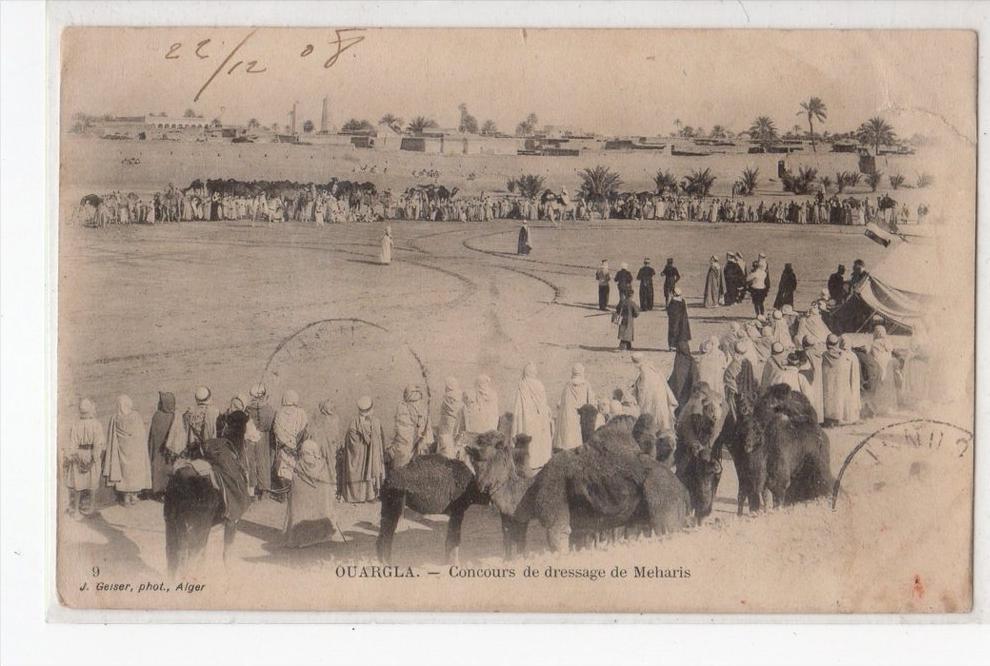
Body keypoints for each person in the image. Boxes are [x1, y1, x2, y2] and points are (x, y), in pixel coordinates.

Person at [284, 437, 339, 548]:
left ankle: (301, 538)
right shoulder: (323, 471)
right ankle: (322, 535)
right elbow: (329, 496)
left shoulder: (297, 472)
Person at [103, 395, 151, 506]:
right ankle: (134, 496)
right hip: (134, 450)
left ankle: (125, 497)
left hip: (121, 450)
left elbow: (111, 437)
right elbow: (141, 434)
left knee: (124, 473)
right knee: (134, 472)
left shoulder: (115, 418)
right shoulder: (136, 416)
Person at [64, 398, 106, 518]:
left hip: (79, 454)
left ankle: (76, 510)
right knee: (92, 482)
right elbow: (99, 443)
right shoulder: (96, 424)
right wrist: (95, 457)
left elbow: (72, 443)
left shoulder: (75, 424)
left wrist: (74, 456)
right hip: (91, 453)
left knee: (78, 484)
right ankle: (91, 507)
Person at [510, 362, 554, 471]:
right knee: (538, 439)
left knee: (529, 438)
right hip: (539, 418)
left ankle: (529, 462)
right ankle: (540, 461)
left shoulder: (522, 384)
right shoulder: (540, 385)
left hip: (527, 418)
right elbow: (543, 404)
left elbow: (518, 406)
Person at [342, 396, 386, 502]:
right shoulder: (375, 421)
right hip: (367, 456)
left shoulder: (354, 422)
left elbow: (350, 442)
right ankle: (369, 496)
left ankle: (358, 496)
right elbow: (381, 440)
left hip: (359, 456)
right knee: (369, 472)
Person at [147, 391, 185, 498]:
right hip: (170, 452)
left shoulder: (157, 416)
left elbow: (152, 436)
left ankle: (158, 491)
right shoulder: (176, 417)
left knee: (158, 469)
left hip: (158, 451)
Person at [272, 390, 309, 497]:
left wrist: (286, 445)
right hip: (296, 446)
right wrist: (297, 445)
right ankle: (295, 493)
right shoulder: (301, 413)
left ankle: (284, 494)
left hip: (284, 447)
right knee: (295, 468)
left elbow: (277, 431)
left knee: (283, 468)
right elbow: (304, 430)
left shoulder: (279, 413)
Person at [631, 352, 678, 434]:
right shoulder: (652, 367)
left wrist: (639, 406)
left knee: (653, 419)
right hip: (661, 396)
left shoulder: (644, 372)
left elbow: (643, 392)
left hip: (653, 398)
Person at [821, 334, 862, 426]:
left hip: (829, 383)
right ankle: (841, 417)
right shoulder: (843, 355)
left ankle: (830, 418)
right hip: (841, 383)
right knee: (840, 399)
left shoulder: (824, 355)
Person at [389, 384, 433, 468]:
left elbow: (395, 431)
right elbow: (428, 432)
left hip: (403, 450)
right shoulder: (424, 408)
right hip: (420, 448)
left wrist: (390, 444)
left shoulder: (401, 407)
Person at [554, 363, 596, 451]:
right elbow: (591, 401)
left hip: (570, 418)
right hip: (584, 416)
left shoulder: (568, 384)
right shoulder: (586, 384)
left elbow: (562, 402)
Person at [245, 383, 276, 499]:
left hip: (250, 438)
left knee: (251, 463)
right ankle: (265, 491)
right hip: (264, 437)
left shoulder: (247, 408)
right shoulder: (269, 409)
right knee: (264, 463)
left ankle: (252, 491)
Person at [436, 377, 466, 459]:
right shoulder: (461, 399)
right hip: (457, 426)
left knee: (445, 449)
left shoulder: (445, 398)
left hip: (446, 428)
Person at [184, 386, 220, 453]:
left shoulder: (189, 412)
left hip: (193, 448)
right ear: (209, 397)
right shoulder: (214, 412)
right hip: (208, 448)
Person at [666, 286, 691, 351]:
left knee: (673, 332)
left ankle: (672, 346)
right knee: (681, 332)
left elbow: (669, 311)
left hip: (674, 321)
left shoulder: (673, 301)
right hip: (682, 320)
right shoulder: (682, 301)